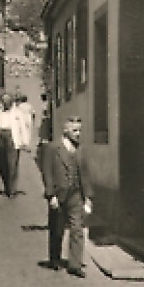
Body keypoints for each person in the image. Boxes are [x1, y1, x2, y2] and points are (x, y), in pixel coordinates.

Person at [41, 115, 93, 278]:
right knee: (57, 229)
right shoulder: (52, 148)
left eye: (79, 131)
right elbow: (47, 173)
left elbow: (85, 174)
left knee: (77, 228)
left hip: (75, 194)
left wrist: (88, 198)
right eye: (74, 130)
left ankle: (75, 264)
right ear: (65, 130)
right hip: (59, 195)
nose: (78, 134)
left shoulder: (80, 150)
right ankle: (55, 259)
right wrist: (51, 195)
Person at [0, 93, 30, 197]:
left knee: (12, 164)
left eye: (7, 101)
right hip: (1, 138)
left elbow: (23, 127)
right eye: (4, 101)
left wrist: (25, 142)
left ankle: (12, 189)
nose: (5, 103)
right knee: (2, 164)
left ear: (11, 102)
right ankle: (7, 185)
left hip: (12, 138)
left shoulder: (18, 113)